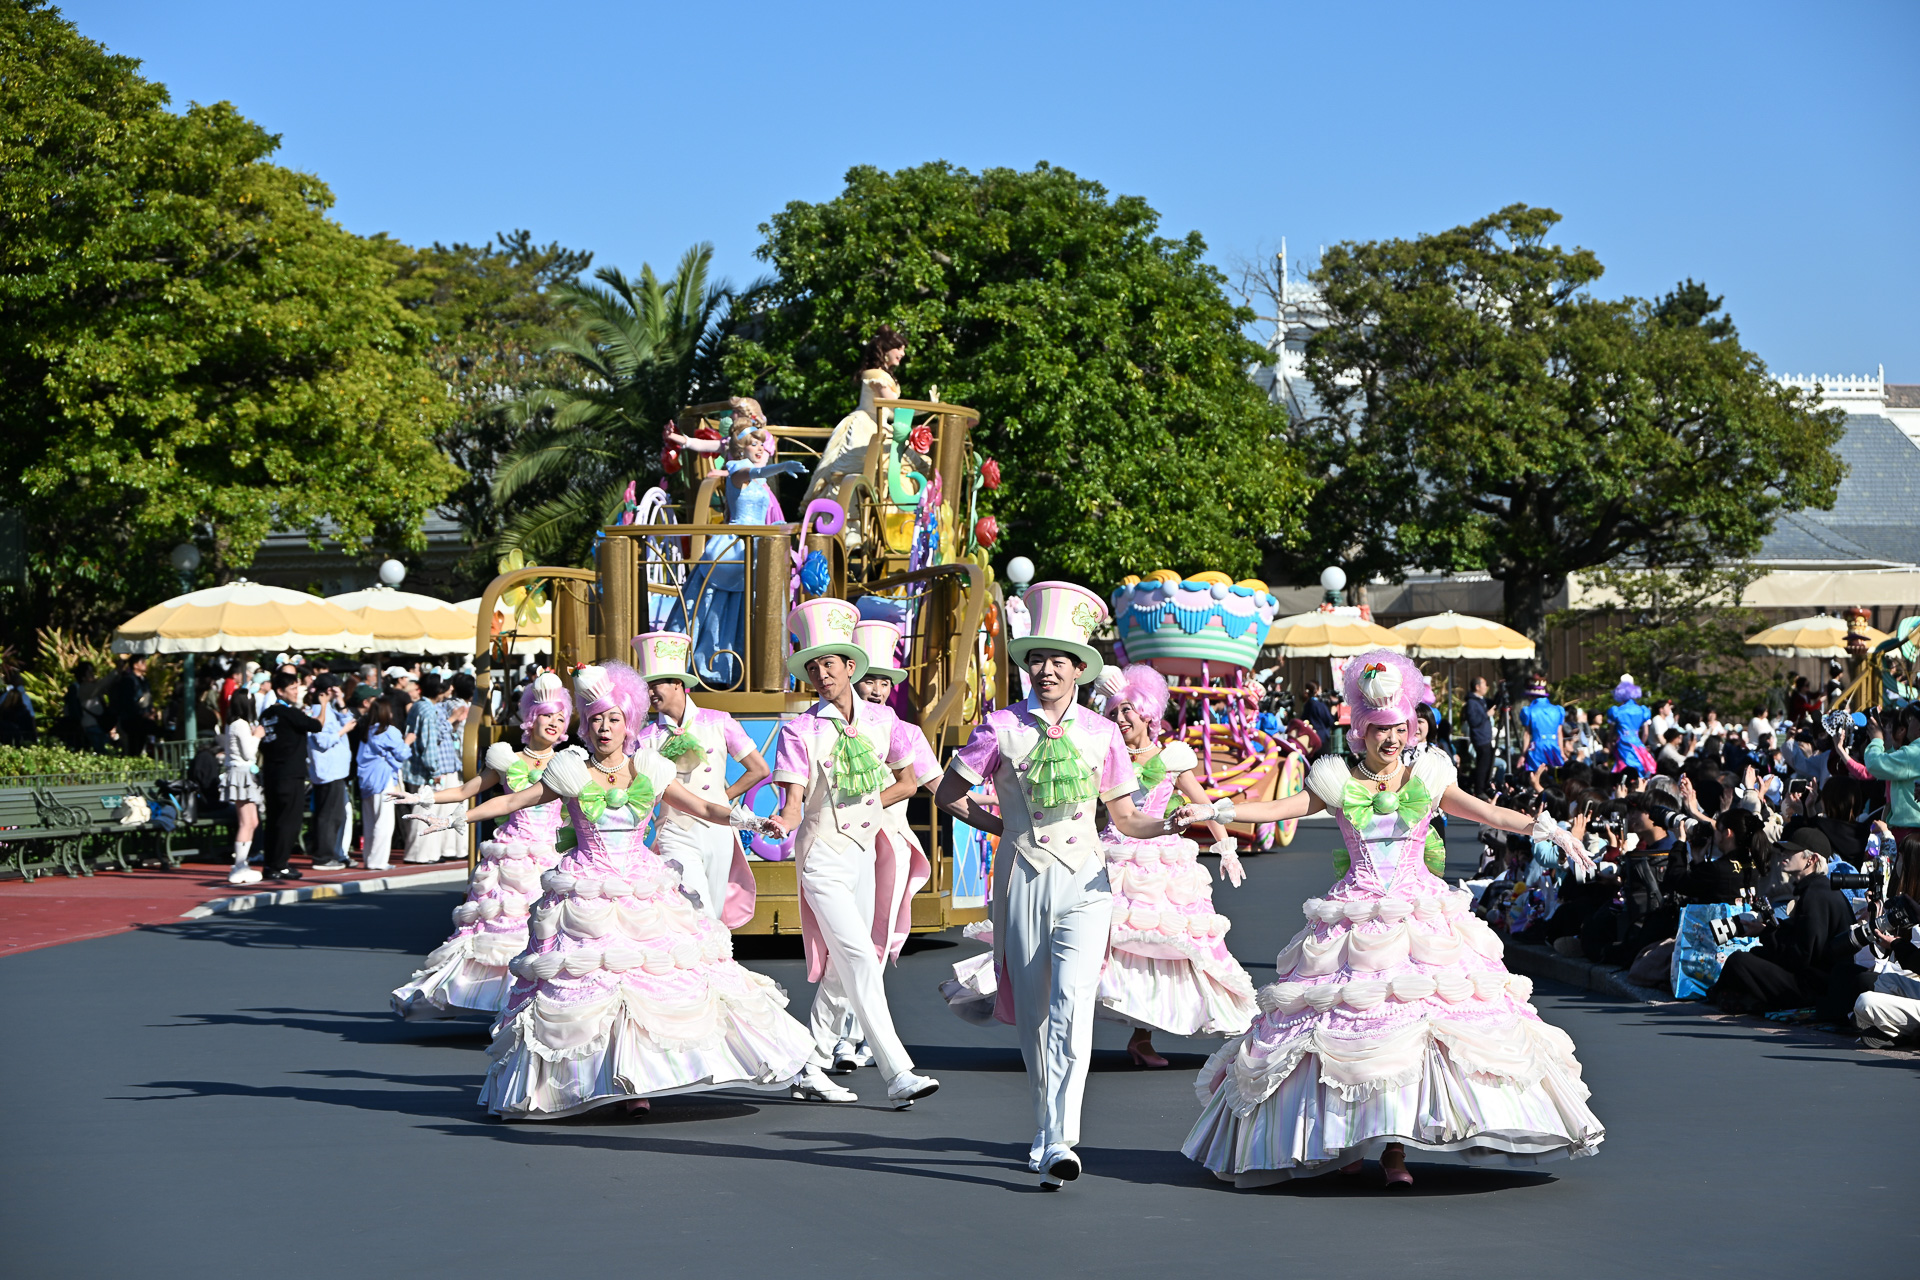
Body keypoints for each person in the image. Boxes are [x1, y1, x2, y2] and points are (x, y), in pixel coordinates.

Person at [1170, 648, 1604, 1189]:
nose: (1393, 739)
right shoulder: (1336, 780)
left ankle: (1395, 1151)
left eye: (1400, 728)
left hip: (1420, 917)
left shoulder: (1430, 775)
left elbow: (1488, 812)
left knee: (1414, 1032)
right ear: (1362, 731)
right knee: (1347, 1036)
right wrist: (1216, 810)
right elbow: (1281, 809)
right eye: (1381, 729)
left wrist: (1549, 830)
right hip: (1357, 915)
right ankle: (1348, 1142)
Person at [409, 661, 812, 1119]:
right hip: (587, 890)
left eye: (614, 718)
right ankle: (597, 1081)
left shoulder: (651, 768)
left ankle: (641, 1081)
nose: (604, 727)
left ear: (629, 722)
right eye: (596, 719)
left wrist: (750, 820)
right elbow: (515, 799)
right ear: (586, 724)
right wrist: (452, 817)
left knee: (651, 982)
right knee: (593, 987)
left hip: (641, 887)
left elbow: (703, 807)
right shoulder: (569, 770)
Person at [933, 582, 1177, 1190]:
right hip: (1021, 879)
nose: (1047, 670)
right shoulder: (1000, 728)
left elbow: (1126, 818)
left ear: (1078, 669)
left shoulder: (1102, 734)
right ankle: (1045, 1128)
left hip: (1086, 884)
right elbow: (948, 793)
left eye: (1059, 660)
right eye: (1037, 659)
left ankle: (1062, 1138)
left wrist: (1168, 823)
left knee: (1072, 1001)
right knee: (1035, 1012)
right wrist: (1001, 828)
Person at [765, 599, 943, 1110]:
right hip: (820, 856)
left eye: (829, 664)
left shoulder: (884, 722)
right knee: (861, 956)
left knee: (844, 969)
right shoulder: (800, 729)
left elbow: (910, 781)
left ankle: (810, 1066)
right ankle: (898, 1071)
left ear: (850, 666)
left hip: (863, 854)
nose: (821, 675)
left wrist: (866, 804)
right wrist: (782, 822)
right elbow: (793, 804)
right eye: (812, 667)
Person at [1090, 663, 1256, 1060]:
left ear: (1147, 712)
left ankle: (1142, 1037)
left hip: (1159, 862)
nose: (1120, 718)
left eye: (1127, 709)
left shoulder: (1172, 759)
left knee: (1162, 944)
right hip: (1113, 855)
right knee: (1105, 941)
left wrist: (1226, 848)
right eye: (1113, 712)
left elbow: (1206, 807)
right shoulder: (1103, 757)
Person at [391, 673, 575, 1020]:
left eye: (561, 717)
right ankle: (496, 1000)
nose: (554, 722)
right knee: (499, 931)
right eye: (548, 715)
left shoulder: (569, 764)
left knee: (544, 931)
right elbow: (467, 790)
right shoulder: (508, 760)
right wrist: (421, 797)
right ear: (531, 717)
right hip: (510, 857)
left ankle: (535, 1002)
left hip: (549, 856)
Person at [822, 617, 943, 1073]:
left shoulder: (903, 731)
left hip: (887, 848)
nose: (876, 689)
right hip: (841, 846)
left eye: (884, 682)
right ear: (853, 676)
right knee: (843, 945)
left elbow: (939, 787)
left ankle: (854, 1036)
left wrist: (1003, 807)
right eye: (869, 679)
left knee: (873, 942)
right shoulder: (824, 727)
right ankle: (844, 1036)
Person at [630, 631, 769, 924]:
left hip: (718, 828)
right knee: (696, 910)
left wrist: (722, 797)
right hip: (674, 830)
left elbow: (759, 769)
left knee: (714, 913)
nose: (650, 693)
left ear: (678, 684)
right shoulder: (646, 738)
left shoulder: (719, 721)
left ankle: (714, 955)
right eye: (647, 687)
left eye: (656, 685)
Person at [685, 412, 808, 687]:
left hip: (757, 545)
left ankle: (753, 665)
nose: (760, 448)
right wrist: (780, 467)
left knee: (752, 606)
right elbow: (755, 472)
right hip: (735, 545)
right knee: (721, 607)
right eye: (754, 444)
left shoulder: (759, 483)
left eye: (762, 444)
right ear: (741, 448)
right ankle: (716, 667)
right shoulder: (737, 469)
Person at [1705, 828, 1857, 1015]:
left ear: (1811, 859)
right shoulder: (1818, 888)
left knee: (1739, 961)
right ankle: (1731, 996)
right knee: (1756, 954)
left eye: (1792, 851)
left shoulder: (1816, 894)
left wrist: (1767, 933)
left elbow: (1800, 956)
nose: (1784, 854)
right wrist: (1765, 929)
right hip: (1817, 978)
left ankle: (1719, 995)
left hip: (1816, 987)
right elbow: (1802, 937)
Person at [802, 325, 912, 508]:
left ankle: (885, 514)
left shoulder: (886, 376)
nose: (903, 353)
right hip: (865, 426)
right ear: (886, 350)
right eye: (899, 349)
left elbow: (892, 412)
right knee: (857, 472)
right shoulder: (876, 375)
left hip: (881, 425)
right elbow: (893, 404)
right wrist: (927, 409)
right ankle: (849, 516)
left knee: (891, 469)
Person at [257, 669, 324, 882]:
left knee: (274, 820)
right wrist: (323, 705)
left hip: (271, 774)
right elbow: (317, 725)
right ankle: (280, 865)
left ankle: (271, 864)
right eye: (292, 688)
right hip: (290, 774)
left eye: (297, 687)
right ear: (280, 691)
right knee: (289, 821)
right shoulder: (290, 713)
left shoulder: (266, 715)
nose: (296, 692)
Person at [403, 672, 463, 864]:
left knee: (425, 809)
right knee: (425, 810)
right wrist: (434, 770)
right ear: (438, 690)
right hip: (425, 770)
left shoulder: (420, 706)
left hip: (418, 767)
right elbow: (428, 742)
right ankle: (419, 855)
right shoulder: (428, 710)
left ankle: (425, 854)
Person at [303, 675, 357, 871]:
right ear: (327, 691)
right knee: (328, 815)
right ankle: (323, 857)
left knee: (338, 815)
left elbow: (351, 721)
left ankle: (333, 853)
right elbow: (323, 740)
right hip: (327, 771)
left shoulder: (331, 709)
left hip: (337, 770)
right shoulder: (318, 711)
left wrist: (341, 702)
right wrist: (342, 731)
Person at [354, 697, 408, 871]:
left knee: (369, 821)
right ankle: (378, 861)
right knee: (384, 821)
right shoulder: (389, 731)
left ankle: (369, 858)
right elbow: (403, 753)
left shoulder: (367, 730)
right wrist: (409, 741)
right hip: (383, 778)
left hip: (366, 779)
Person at [219, 689, 267, 885]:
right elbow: (248, 753)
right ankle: (238, 864)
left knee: (252, 821)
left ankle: (242, 862)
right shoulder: (240, 724)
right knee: (246, 822)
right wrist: (257, 736)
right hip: (242, 773)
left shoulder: (236, 724)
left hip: (243, 773)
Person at [1863, 704, 1920, 841]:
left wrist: (1876, 740)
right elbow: (1899, 768)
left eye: (1912, 719)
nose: (1908, 723)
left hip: (1910, 832)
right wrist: (1888, 746)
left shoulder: (1914, 752)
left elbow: (1874, 764)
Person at [1517, 675, 1566, 786]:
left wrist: (1523, 754)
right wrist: (1562, 752)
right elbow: (1559, 733)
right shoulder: (1557, 710)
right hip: (1554, 746)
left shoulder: (1529, 711)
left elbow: (1527, 734)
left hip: (1537, 747)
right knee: (1554, 776)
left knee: (1536, 776)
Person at [107, 655, 159, 756]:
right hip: (131, 719)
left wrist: (151, 711)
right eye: (142, 662)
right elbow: (128, 701)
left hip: (143, 718)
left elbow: (147, 697)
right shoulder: (128, 680)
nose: (145, 664)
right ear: (135, 665)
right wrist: (142, 713)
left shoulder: (144, 681)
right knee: (133, 745)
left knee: (142, 741)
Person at [1607, 674, 1657, 777]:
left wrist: (1611, 744)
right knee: (1640, 769)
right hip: (1637, 743)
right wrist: (1641, 744)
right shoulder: (1642, 710)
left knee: (1623, 769)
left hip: (1622, 743)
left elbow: (1611, 733)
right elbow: (1645, 733)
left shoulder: (1616, 711)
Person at [1463, 676, 1494, 798]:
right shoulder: (1472, 703)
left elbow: (1494, 702)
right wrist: (1487, 715)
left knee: (1488, 763)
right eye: (1484, 684)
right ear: (1477, 687)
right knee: (1482, 764)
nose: (1486, 687)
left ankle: (1484, 786)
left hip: (1485, 737)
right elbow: (1473, 721)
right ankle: (1479, 790)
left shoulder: (1481, 700)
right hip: (1480, 738)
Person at [0, 669, 36, 745]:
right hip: (21, 736)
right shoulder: (24, 698)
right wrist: (34, 736)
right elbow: (32, 717)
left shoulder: (4, 697)